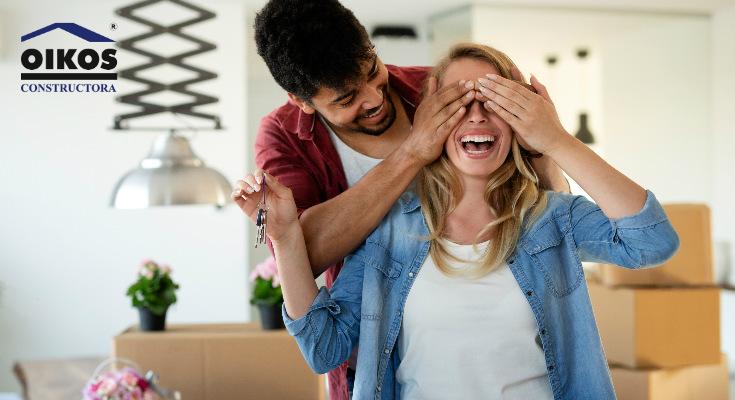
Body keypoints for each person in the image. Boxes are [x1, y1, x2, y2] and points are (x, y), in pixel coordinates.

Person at [234, 42, 679, 399]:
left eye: (495, 101)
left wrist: (556, 139)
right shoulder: (389, 231)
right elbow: (324, 347)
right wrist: (285, 235)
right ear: (430, 117)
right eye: (459, 102)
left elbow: (653, 241)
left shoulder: (552, 218)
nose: (478, 115)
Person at [252, 2, 567, 395]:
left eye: (372, 70)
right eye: (347, 98)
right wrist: (413, 151)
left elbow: (553, 213)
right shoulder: (281, 137)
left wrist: (546, 146)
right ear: (301, 100)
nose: (373, 99)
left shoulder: (435, 89)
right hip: (374, 359)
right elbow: (300, 250)